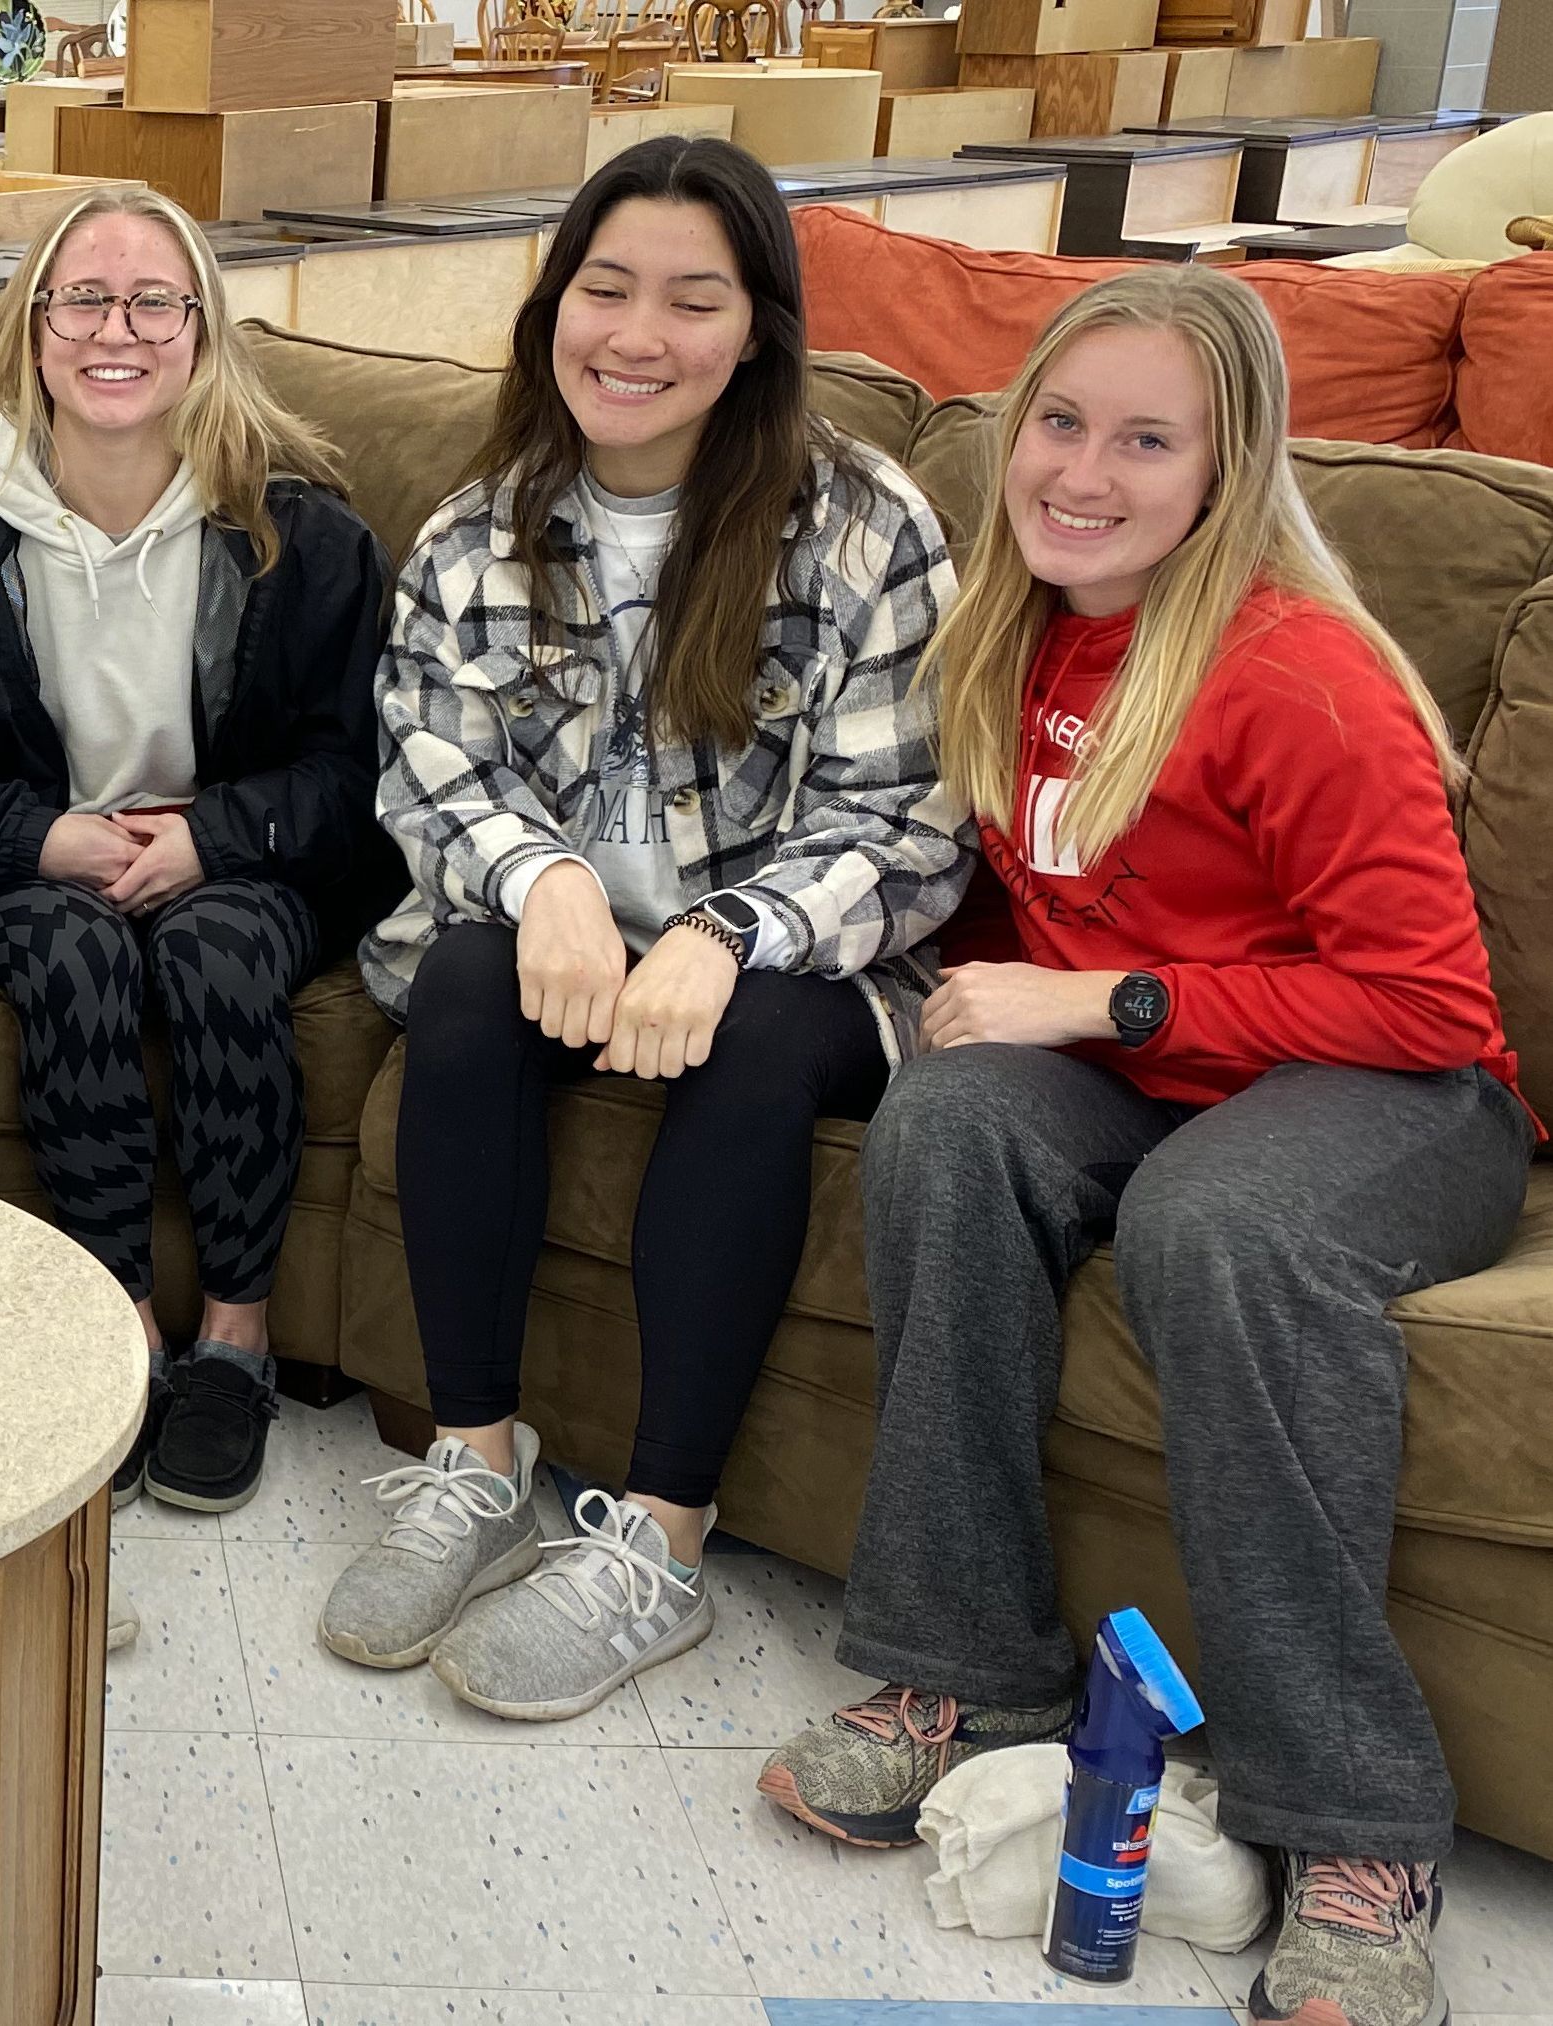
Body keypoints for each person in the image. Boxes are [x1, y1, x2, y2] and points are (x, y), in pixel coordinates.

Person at [761, 264, 1528, 2026]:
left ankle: (1351, 1819)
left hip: (1400, 1096)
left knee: (1214, 1226)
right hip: (1165, 1068)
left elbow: (1422, 1008)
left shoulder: (1297, 678)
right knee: (941, 1122)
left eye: (1144, 440)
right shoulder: (1007, 629)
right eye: (1056, 422)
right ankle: (957, 1667)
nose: (1081, 471)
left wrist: (1101, 1004)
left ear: (1225, 471)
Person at [334, 137, 969, 1722]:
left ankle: (658, 1544)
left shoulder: (862, 524)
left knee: (752, 1045)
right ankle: (473, 1460)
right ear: (552, 303)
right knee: (465, 979)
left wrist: (726, 929)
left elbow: (908, 819)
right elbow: (425, 771)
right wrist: (542, 881)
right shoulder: (479, 531)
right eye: (602, 288)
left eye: (692, 300)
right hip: (556, 940)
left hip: (793, 958)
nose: (634, 334)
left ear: (754, 328)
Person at [0, 186, 398, 1516]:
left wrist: (213, 836)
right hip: (25, 870)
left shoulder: (301, 538)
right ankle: (127, 1329)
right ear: (31, 329)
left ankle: (234, 1339)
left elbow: (357, 768)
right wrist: (42, 836)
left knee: (208, 952)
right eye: (81, 297)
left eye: (154, 300)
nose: (115, 329)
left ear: (200, 333)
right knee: (72, 951)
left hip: (242, 866)